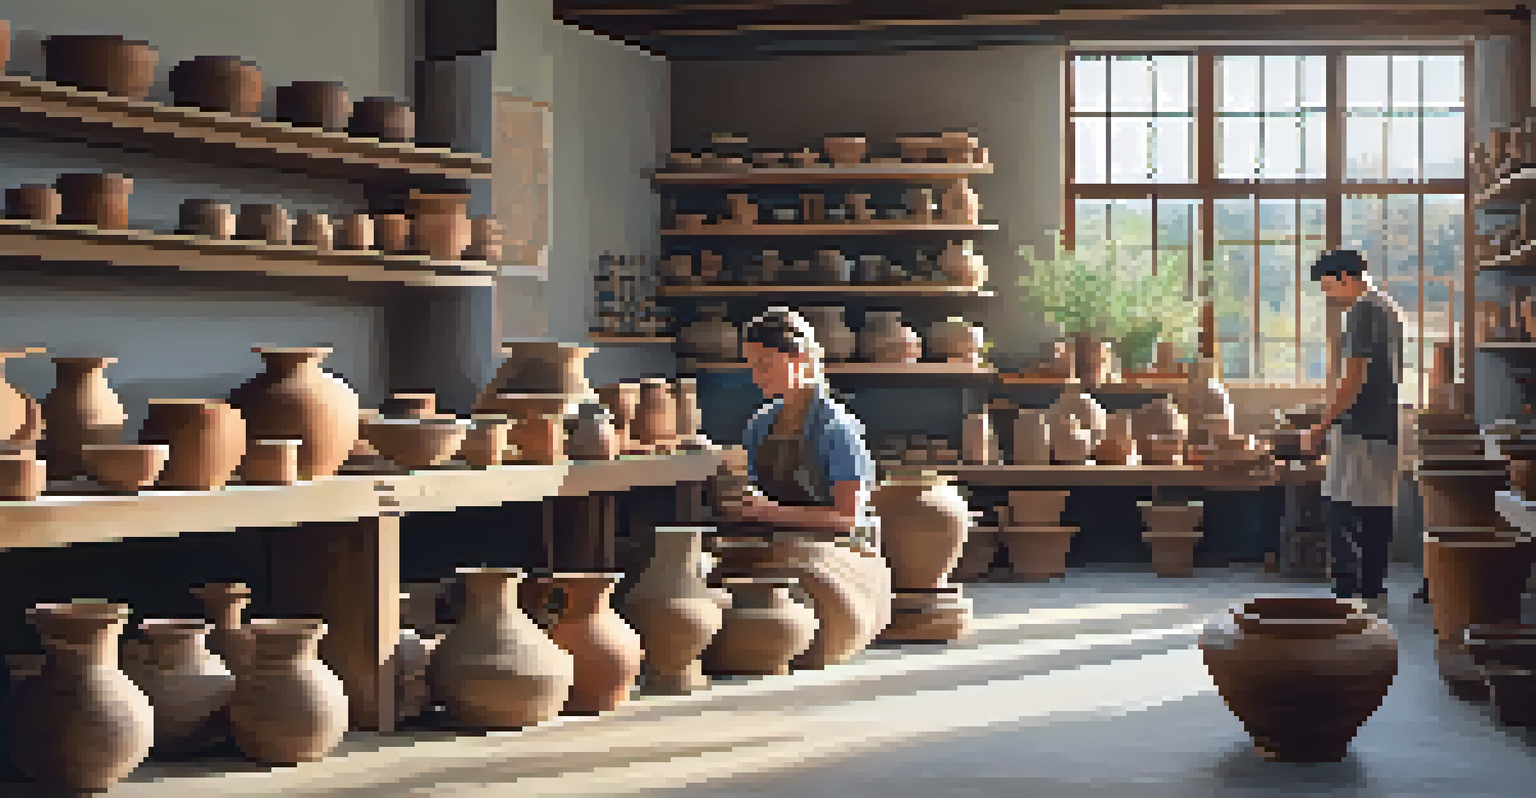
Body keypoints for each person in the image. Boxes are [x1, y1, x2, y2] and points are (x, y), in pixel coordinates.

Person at [1300, 250, 1405, 609]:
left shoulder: (1362, 309)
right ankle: (1373, 591)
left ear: (1346, 276)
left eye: (1329, 287)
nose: (1329, 296)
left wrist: (1321, 424)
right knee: (1376, 510)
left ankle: (1347, 595)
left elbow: (1354, 376)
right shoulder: (1388, 307)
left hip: (1360, 426)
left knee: (1340, 510)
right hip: (1386, 424)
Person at [727, 307, 879, 550]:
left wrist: (769, 512)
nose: (756, 377)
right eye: (752, 366)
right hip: (778, 545)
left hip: (836, 553)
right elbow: (752, 498)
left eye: (764, 365)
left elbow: (849, 519)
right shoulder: (761, 423)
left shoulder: (836, 427)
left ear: (798, 357)